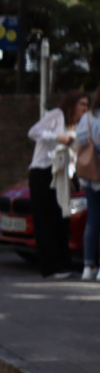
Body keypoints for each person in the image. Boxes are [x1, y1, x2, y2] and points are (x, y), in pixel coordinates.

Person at [28, 90, 91, 279]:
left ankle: (64, 264)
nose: (85, 109)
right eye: (82, 104)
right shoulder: (56, 115)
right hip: (42, 171)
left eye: (87, 105)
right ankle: (50, 267)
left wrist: (72, 178)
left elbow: (71, 157)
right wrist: (57, 137)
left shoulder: (77, 126)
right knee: (45, 219)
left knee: (61, 220)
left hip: (61, 175)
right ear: (72, 104)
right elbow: (33, 132)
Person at [76, 88, 100, 281]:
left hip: (89, 174)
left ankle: (88, 266)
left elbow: (79, 140)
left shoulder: (87, 118)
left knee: (93, 220)